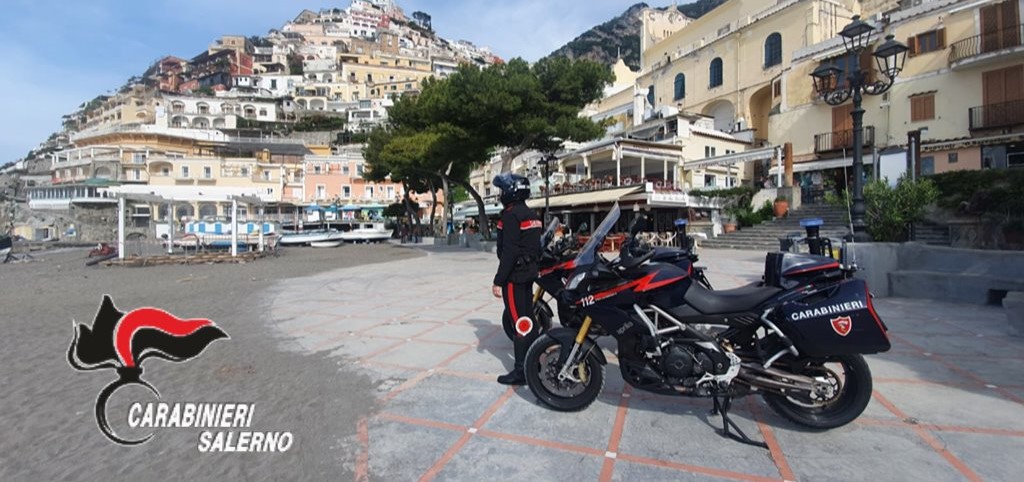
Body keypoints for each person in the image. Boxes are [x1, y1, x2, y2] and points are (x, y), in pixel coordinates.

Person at [491, 172, 543, 385]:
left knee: (519, 322)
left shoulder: (510, 215)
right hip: (528, 274)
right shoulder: (532, 214)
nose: (501, 194)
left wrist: (498, 280)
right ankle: (533, 361)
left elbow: (509, 251)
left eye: (503, 190)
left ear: (512, 191)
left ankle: (521, 370)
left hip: (514, 277)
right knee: (528, 318)